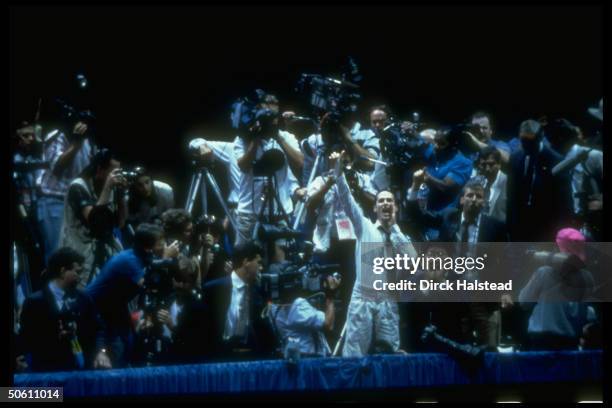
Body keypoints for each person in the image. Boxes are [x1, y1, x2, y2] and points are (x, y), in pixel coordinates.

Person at [327, 151, 417, 357]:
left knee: (391, 352)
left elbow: (414, 262)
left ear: (395, 207)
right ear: (375, 207)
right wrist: (338, 170)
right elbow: (346, 198)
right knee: (355, 354)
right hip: (364, 294)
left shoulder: (399, 235)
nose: (385, 203)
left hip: (387, 296)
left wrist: (394, 228)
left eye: (390, 201)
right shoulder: (364, 227)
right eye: (381, 201)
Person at [405, 176, 508, 349]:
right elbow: (419, 217)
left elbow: (505, 260)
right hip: (454, 295)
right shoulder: (449, 217)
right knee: (456, 346)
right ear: (462, 199)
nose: (474, 200)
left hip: (483, 295)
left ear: (484, 202)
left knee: (489, 350)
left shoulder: (494, 226)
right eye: (470, 196)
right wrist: (415, 186)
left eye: (478, 196)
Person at [86, 223, 167, 368]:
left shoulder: (142, 256)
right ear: (148, 247)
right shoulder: (130, 261)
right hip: (95, 306)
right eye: (160, 242)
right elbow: (147, 283)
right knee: (118, 347)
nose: (164, 245)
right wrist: (166, 258)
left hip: (115, 306)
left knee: (128, 341)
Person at [17, 247, 111, 372]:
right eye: (77, 272)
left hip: (81, 374)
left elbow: (99, 328)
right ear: (63, 271)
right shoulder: (34, 302)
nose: (80, 277)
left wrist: (101, 352)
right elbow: (27, 338)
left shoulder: (84, 298)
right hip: (49, 376)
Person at [234, 102, 301, 246]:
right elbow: (244, 166)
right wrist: (255, 140)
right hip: (249, 214)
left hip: (279, 213)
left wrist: (279, 138)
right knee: (247, 261)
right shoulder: (244, 139)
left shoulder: (286, 137)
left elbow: (300, 163)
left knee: (281, 264)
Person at [518, 228, 596, 350]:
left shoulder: (544, 272)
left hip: (542, 342)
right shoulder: (588, 277)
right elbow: (589, 315)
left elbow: (524, 302)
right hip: (571, 343)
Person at [59, 148, 127, 287]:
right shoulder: (78, 186)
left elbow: (121, 223)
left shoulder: (112, 187)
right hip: (80, 246)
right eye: (113, 172)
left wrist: (121, 195)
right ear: (99, 169)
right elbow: (94, 220)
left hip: (105, 247)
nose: (115, 176)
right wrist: (107, 188)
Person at [202, 242, 275, 361]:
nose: (261, 268)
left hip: (248, 358)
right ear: (246, 262)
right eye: (259, 263)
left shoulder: (258, 293)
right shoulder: (213, 289)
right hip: (218, 357)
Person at [36, 120, 93, 264]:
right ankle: (51, 286)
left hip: (75, 203)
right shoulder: (57, 136)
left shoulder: (87, 142)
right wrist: (76, 144)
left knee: (74, 253)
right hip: (54, 200)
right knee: (56, 253)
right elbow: (57, 167)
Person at [506, 120, 564, 241]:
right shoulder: (515, 157)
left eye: (530, 142)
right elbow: (511, 194)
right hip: (519, 225)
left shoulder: (555, 160)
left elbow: (562, 200)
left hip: (545, 226)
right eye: (523, 141)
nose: (526, 146)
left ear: (540, 138)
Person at [266, 274, 341, 357]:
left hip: (291, 356)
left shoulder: (273, 309)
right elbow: (328, 324)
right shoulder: (299, 306)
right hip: (310, 359)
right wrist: (330, 295)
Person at [154, 255, 208, 364]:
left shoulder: (198, 307)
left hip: (184, 361)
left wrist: (172, 326)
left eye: (185, 281)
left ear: (192, 282)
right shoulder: (167, 300)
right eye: (178, 279)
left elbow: (194, 342)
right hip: (163, 357)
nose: (181, 284)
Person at [474, 146, 507, 224]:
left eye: (491, 164)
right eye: (484, 165)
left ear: (499, 164)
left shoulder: (509, 184)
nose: (487, 169)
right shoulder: (477, 182)